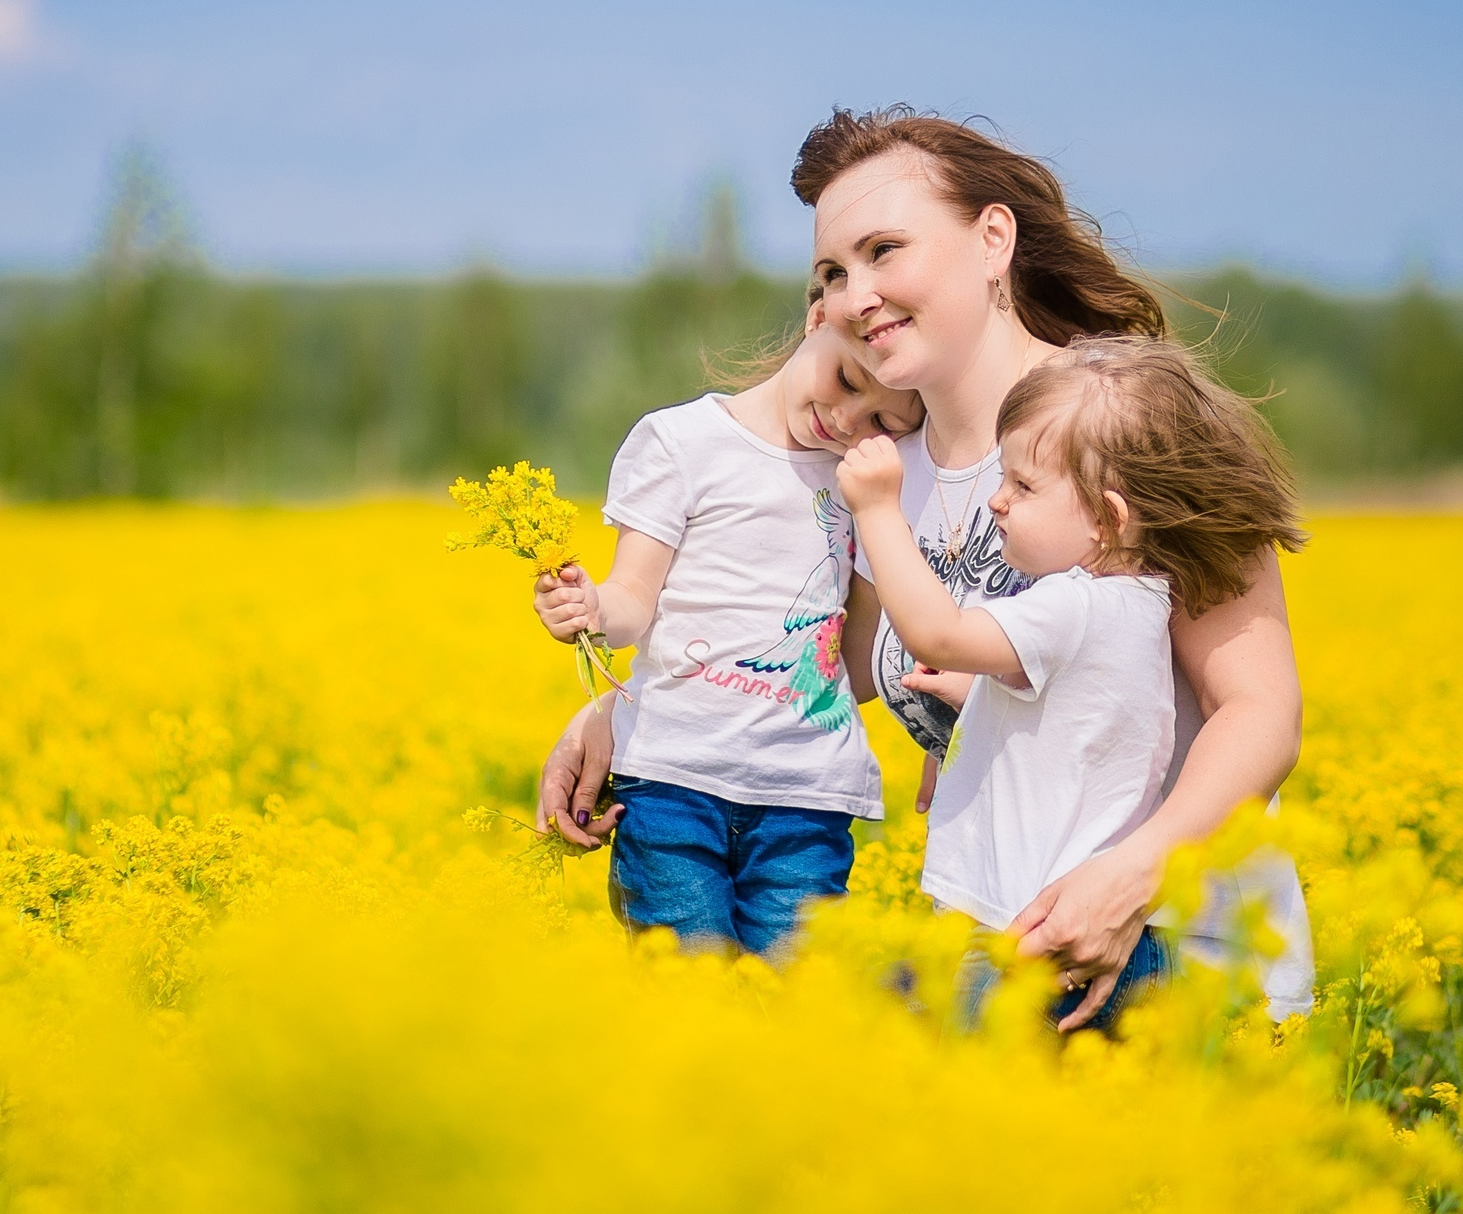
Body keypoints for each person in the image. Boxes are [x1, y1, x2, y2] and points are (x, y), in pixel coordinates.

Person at [543, 106, 1315, 1028]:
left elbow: (1261, 711)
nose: (854, 295)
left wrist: (1132, 879)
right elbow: (812, 658)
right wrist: (624, 711)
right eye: (832, 272)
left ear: (993, 240)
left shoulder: (1123, 420)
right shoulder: (873, 475)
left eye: (883, 250)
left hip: (1177, 953)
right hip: (1007, 963)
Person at [838, 337, 1306, 1031]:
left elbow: (937, 633)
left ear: (1108, 519)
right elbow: (1096, 721)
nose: (997, 502)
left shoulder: (1074, 602)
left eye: (1022, 487)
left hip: (1042, 931)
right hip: (1080, 930)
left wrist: (879, 508)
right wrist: (983, 704)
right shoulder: (1140, 605)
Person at [530, 309, 924, 960]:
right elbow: (633, 598)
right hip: (671, 785)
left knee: (800, 996)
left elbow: (855, 665)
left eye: (884, 422)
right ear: (818, 316)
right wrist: (591, 608)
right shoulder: (681, 441)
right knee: (689, 987)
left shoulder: (873, 484)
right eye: (849, 380)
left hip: (807, 797)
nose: (850, 420)